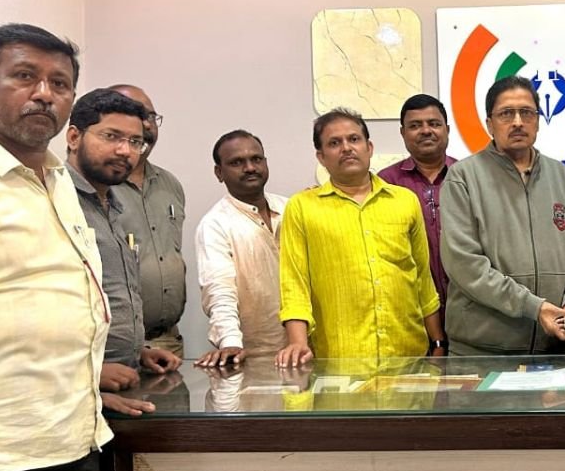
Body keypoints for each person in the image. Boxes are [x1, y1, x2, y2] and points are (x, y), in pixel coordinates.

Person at [0, 23, 152, 471]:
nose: (44, 94)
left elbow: (52, 304)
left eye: (60, 83)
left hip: (71, 442)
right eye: (25, 76)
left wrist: (87, 384)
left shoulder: (57, 180)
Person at [440, 76, 565, 356]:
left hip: (558, 348)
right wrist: (534, 307)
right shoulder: (463, 178)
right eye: (506, 113)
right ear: (489, 123)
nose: (518, 122)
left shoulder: (563, 177)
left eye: (527, 113)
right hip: (483, 352)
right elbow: (464, 264)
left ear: (538, 121)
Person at [277, 108, 443, 369]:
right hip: (340, 363)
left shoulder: (404, 201)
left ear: (369, 147)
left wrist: (438, 343)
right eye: (334, 143)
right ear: (321, 157)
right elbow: (294, 284)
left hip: (408, 357)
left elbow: (423, 278)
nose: (346, 148)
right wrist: (298, 343)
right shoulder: (302, 207)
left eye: (354, 139)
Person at [65, 88, 183, 389]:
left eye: (134, 142)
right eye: (111, 136)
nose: (125, 151)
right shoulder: (55, 200)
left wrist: (139, 350)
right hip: (74, 387)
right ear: (74, 137)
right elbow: (35, 309)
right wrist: (88, 373)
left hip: (124, 374)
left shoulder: (110, 205)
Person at [195, 130, 288, 367]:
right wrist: (230, 342)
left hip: (308, 350)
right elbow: (219, 289)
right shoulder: (215, 224)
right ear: (219, 172)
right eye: (237, 162)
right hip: (253, 357)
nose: (250, 168)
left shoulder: (291, 209)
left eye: (256, 159)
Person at [109, 84, 188, 358]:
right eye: (135, 114)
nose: (145, 124)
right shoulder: (93, 186)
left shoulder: (169, 184)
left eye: (151, 116)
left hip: (169, 343)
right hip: (115, 348)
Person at [378, 94, 457, 335]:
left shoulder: (468, 176)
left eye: (434, 123)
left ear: (447, 129)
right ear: (403, 133)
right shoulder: (385, 183)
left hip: (468, 312)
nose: (425, 131)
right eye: (415, 125)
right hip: (410, 315)